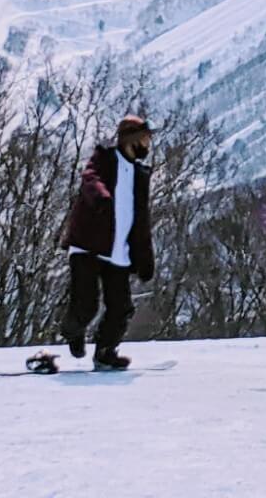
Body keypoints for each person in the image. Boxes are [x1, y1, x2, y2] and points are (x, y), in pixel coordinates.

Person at [61, 114, 155, 370]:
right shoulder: (104, 158)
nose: (147, 146)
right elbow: (90, 178)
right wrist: (101, 197)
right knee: (86, 305)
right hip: (88, 246)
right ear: (131, 140)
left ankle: (105, 352)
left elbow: (141, 221)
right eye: (145, 140)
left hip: (118, 253)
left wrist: (145, 260)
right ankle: (73, 330)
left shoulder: (139, 174)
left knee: (121, 307)